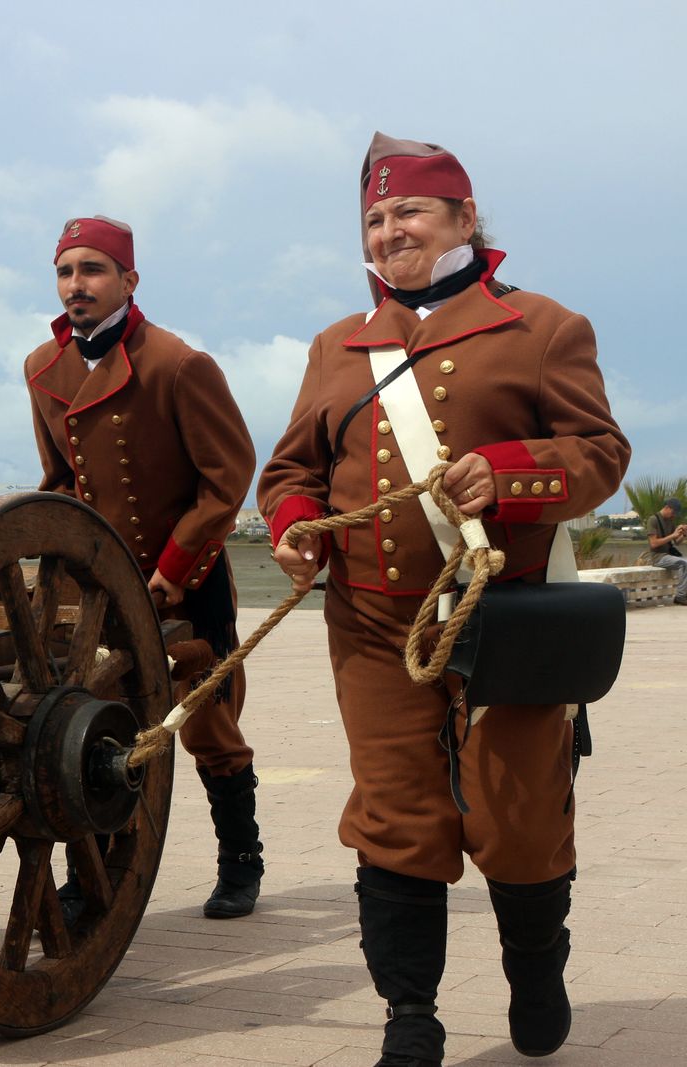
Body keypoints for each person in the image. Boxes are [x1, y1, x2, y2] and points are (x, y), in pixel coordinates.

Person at [259, 133, 630, 1066]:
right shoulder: (337, 345)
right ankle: (411, 1017)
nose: (389, 231)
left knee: (518, 817)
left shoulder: (542, 327)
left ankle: (536, 971)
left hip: (507, 619)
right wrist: (296, 525)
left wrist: (508, 473)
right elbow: (291, 471)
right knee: (397, 818)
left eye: (409, 212)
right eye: (374, 219)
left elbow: (601, 456)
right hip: (373, 625)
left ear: (465, 218)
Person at [24, 215, 265, 920]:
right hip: (96, 586)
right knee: (92, 725)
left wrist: (176, 566)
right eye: (66, 271)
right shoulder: (41, 368)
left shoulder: (177, 364)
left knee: (208, 728)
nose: (77, 284)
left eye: (93, 269)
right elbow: (58, 479)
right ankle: (92, 878)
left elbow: (228, 477)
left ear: (128, 280)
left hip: (182, 579)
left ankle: (240, 860)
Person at [643, 497, 687, 604]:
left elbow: (677, 542)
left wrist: (684, 534)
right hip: (657, 557)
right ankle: (680, 596)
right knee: (685, 564)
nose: (674, 516)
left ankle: (682, 594)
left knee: (685, 562)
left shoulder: (670, 521)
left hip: (667, 556)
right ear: (667, 507)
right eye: (673, 513)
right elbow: (653, 543)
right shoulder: (653, 520)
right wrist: (673, 535)